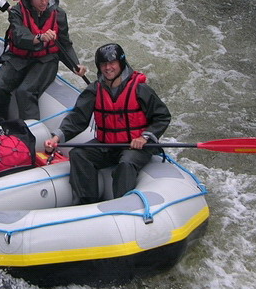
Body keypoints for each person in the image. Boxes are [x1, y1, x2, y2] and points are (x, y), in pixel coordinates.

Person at [44, 43, 171, 204]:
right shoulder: (95, 89)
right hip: (108, 144)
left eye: (112, 63)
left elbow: (162, 116)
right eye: (103, 64)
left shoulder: (140, 89)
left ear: (121, 63)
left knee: (125, 164)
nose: (108, 68)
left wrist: (145, 137)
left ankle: (121, 206)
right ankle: (88, 202)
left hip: (135, 146)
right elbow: (78, 118)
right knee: (78, 154)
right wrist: (57, 137)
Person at [0, 0, 88, 120]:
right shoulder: (16, 12)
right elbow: (19, 36)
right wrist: (39, 37)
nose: (44, 2)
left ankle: (29, 132)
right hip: (19, 57)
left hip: (45, 60)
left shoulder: (59, 15)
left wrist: (75, 65)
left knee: (25, 92)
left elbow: (65, 44)